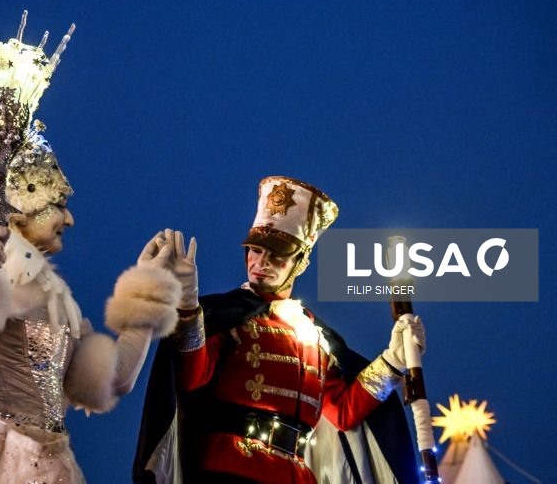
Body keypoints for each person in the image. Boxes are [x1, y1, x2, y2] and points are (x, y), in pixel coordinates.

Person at [0, 132, 182, 483]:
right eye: (58, 204)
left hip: (50, 464)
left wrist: (148, 289)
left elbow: (112, 379)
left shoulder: (58, 300)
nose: (69, 219)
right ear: (22, 207)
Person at [133, 176, 424, 484]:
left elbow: (342, 412)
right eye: (256, 250)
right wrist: (189, 308)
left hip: (296, 474)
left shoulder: (316, 336)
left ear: (301, 263)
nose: (261, 262)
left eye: (277, 255)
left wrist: (392, 361)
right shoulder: (226, 317)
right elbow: (191, 380)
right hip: (230, 470)